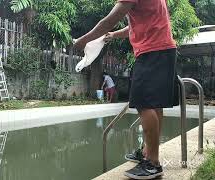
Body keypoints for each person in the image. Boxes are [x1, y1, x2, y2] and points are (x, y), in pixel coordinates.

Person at [74, 0, 178, 179]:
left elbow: (108, 21)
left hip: (151, 51)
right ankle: (149, 153)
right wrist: (113, 35)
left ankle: (153, 163)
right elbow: (136, 26)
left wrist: (83, 41)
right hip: (164, 49)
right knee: (155, 104)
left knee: (143, 103)